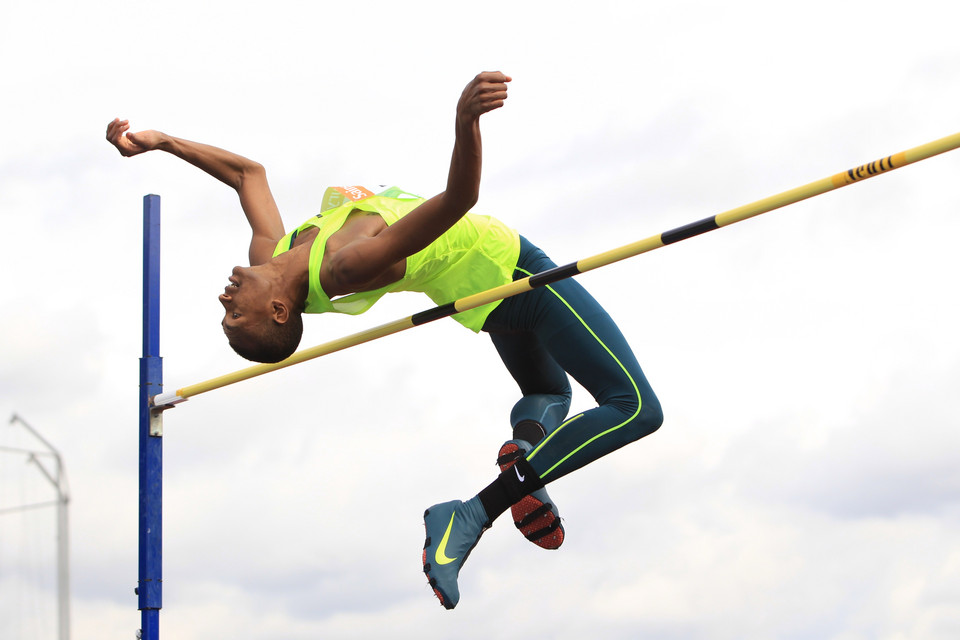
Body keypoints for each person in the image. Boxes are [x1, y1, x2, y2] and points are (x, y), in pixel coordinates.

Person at [106, 71, 663, 610]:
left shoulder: (274, 259)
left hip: (485, 301)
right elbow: (457, 199)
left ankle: (524, 461)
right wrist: (465, 121)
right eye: (235, 318)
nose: (224, 303)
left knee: (548, 394)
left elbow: (248, 174)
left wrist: (163, 143)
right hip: (514, 272)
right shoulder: (348, 267)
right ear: (278, 311)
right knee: (635, 408)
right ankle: (473, 512)